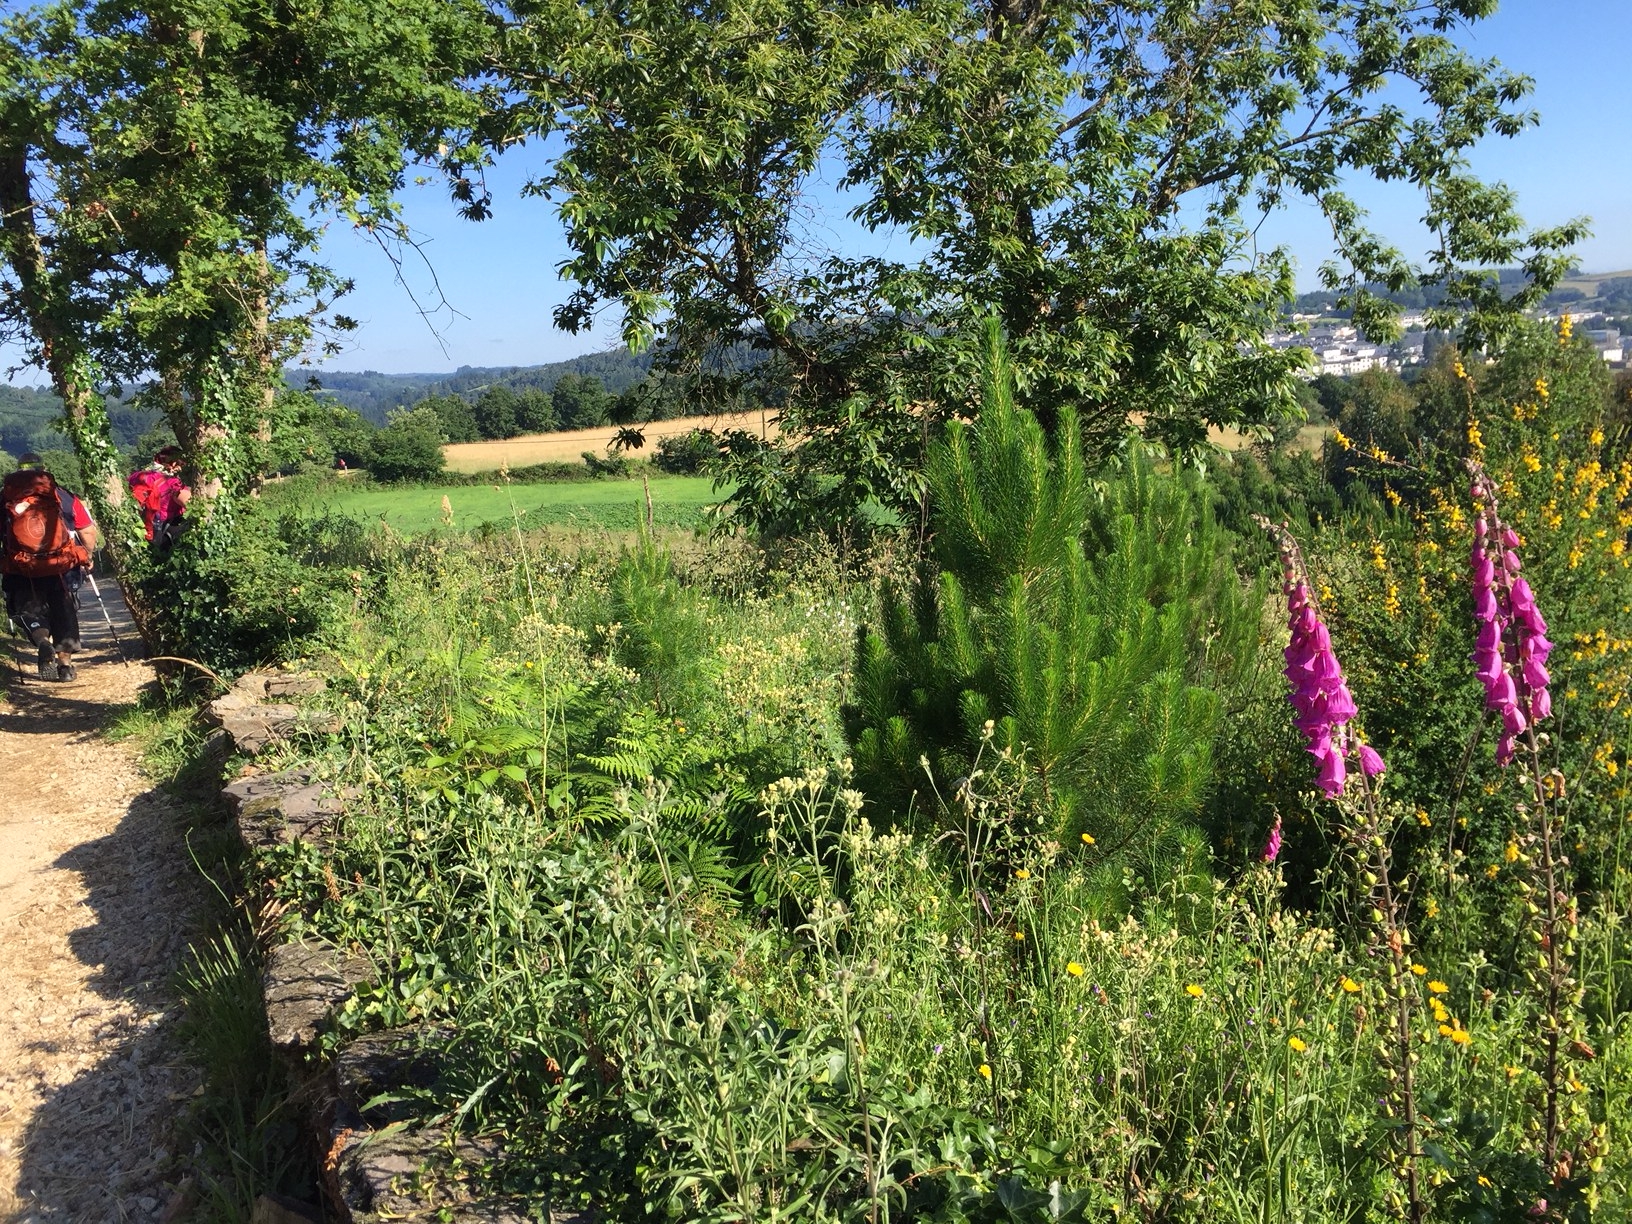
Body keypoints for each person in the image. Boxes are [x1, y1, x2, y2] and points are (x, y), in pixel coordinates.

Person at [1, 453, 98, 682]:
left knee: (28, 609)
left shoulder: (4, 498)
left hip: (20, 567)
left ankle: (42, 640)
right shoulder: (63, 496)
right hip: (61, 567)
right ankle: (65, 666)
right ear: (43, 470)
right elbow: (87, 530)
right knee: (64, 610)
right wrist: (87, 555)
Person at [128, 445, 191, 553]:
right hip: (164, 536)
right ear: (174, 464)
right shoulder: (173, 484)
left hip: (140, 530)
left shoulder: (137, 476)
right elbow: (194, 506)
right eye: (181, 465)